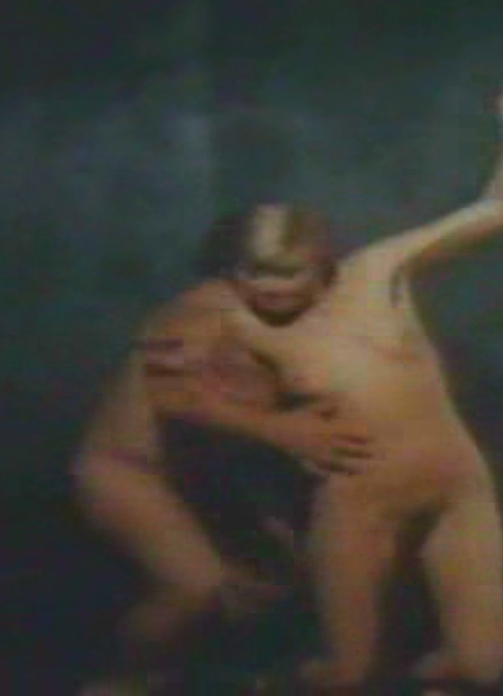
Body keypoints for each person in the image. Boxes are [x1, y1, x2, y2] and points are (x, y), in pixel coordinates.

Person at [210, 69, 503, 694]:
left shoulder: (376, 271)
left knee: (479, 667)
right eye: (253, 272)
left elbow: (501, 209)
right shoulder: (232, 323)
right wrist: (276, 461)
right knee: (348, 674)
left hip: (456, 486)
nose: (269, 287)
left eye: (286, 272)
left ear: (320, 263)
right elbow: (206, 415)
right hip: (358, 501)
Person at [72, 239, 377, 694]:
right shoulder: (196, 312)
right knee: (198, 586)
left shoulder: (297, 321)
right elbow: (169, 396)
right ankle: (122, 682)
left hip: (202, 475)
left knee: (285, 577)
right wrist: (283, 430)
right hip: (127, 471)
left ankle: (205, 675)